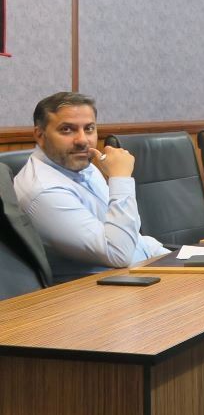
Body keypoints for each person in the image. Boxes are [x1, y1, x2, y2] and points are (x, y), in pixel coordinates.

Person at [13, 92, 168, 282]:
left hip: (140, 274)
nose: (82, 140)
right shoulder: (42, 191)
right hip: (100, 290)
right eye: (67, 130)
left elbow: (131, 237)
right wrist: (120, 177)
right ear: (40, 135)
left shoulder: (84, 166)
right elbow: (119, 254)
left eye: (89, 129)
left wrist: (173, 257)